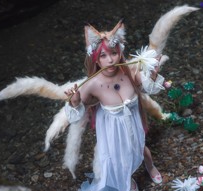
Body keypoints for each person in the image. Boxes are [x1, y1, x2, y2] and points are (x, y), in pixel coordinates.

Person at [64, 20, 165, 191]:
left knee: (141, 148)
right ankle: (126, 180)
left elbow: (149, 88)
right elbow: (76, 114)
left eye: (113, 53)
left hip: (133, 122)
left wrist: (153, 75)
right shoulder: (93, 84)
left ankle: (150, 166)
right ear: (96, 59)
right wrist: (74, 102)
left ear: (120, 53)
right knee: (119, 158)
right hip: (113, 130)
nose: (110, 60)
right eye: (103, 56)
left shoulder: (130, 72)